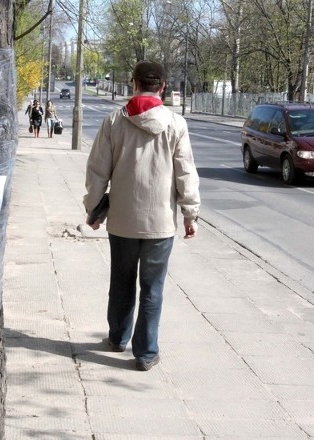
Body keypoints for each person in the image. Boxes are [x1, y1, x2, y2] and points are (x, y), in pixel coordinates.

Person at [83, 60, 201, 372]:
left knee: (121, 282)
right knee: (153, 288)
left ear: (133, 83)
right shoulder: (176, 124)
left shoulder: (114, 121)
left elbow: (97, 171)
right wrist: (190, 214)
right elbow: (185, 173)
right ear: (162, 86)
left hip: (122, 220)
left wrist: (94, 209)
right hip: (160, 225)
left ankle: (118, 337)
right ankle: (146, 353)